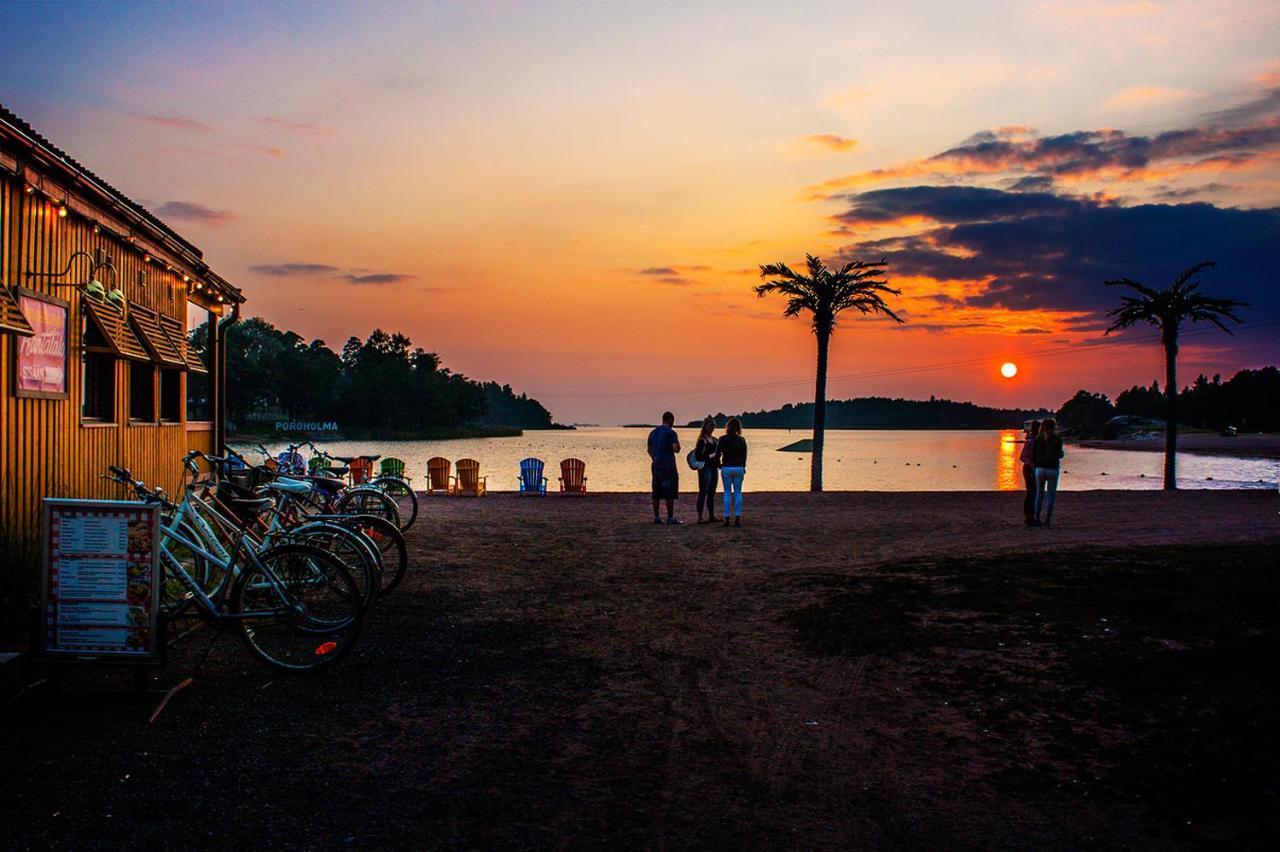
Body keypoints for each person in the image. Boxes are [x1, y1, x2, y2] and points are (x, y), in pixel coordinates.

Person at [647, 411, 682, 525]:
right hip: (668, 464)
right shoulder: (671, 433)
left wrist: (655, 457)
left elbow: (649, 450)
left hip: (656, 464)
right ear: (671, 420)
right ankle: (670, 517)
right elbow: (676, 448)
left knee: (656, 491)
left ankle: (656, 516)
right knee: (669, 491)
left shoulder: (653, 433)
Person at [1033, 418, 1065, 528]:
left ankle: (1037, 519)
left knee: (1039, 494)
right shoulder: (1057, 439)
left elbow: (1033, 455)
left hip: (1040, 469)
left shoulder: (1038, 439)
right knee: (1051, 495)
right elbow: (1060, 454)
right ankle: (1047, 520)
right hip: (1052, 469)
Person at [718, 418, 747, 527]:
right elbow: (744, 456)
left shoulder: (722, 439)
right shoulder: (741, 440)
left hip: (726, 467)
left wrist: (718, 465)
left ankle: (727, 518)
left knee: (727, 493)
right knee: (738, 492)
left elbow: (717, 454)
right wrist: (743, 466)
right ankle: (737, 518)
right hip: (738, 467)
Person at [694, 416, 720, 524]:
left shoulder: (715, 440)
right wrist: (710, 456)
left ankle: (711, 516)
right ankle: (700, 517)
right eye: (710, 425)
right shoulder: (702, 440)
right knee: (703, 492)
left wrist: (719, 463)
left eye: (713, 426)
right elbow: (698, 456)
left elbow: (718, 454)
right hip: (705, 468)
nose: (712, 427)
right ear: (705, 426)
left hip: (714, 468)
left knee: (712, 492)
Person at [1019, 420, 1040, 526]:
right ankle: (1029, 515)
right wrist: (1032, 465)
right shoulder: (1031, 441)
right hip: (1029, 469)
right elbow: (1023, 457)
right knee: (1031, 492)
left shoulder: (1037, 440)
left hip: (1036, 469)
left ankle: (1033, 515)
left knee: (1035, 492)